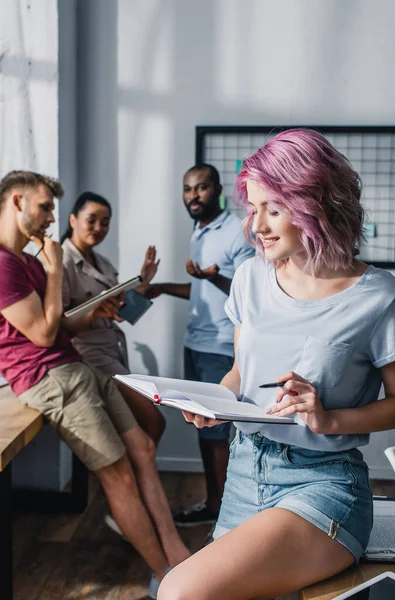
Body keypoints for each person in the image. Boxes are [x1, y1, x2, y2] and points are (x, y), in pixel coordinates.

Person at [157, 129, 395, 600]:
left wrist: (330, 418)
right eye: (252, 208)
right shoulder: (250, 278)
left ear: (316, 204)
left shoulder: (380, 297)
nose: (257, 225)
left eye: (274, 208)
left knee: (180, 592)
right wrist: (216, 401)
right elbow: (239, 372)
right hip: (244, 473)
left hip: (324, 484)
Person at [0, 171, 189, 599]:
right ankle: (166, 577)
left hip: (80, 368)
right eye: (45, 207)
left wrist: (104, 307)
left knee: (142, 447)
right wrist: (52, 271)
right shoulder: (9, 264)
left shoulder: (28, 261)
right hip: (50, 378)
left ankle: (178, 554)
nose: (51, 218)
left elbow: (62, 322)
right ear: (16, 202)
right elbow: (44, 335)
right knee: (120, 475)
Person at [147, 163, 254, 528]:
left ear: (219, 189)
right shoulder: (200, 231)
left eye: (202, 187)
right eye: (188, 189)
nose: (194, 195)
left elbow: (248, 294)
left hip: (222, 346)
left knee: (216, 431)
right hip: (194, 342)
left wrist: (214, 276)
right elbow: (200, 289)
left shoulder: (238, 234)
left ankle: (224, 512)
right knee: (202, 429)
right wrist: (161, 288)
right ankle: (215, 503)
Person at [61, 191, 165, 445]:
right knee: (153, 422)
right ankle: (134, 480)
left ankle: (132, 481)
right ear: (73, 220)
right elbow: (59, 324)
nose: (99, 227)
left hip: (114, 350)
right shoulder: (62, 262)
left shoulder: (103, 262)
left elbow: (119, 310)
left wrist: (143, 281)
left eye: (105, 222)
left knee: (129, 433)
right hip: (91, 357)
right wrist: (94, 311)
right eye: (92, 219)